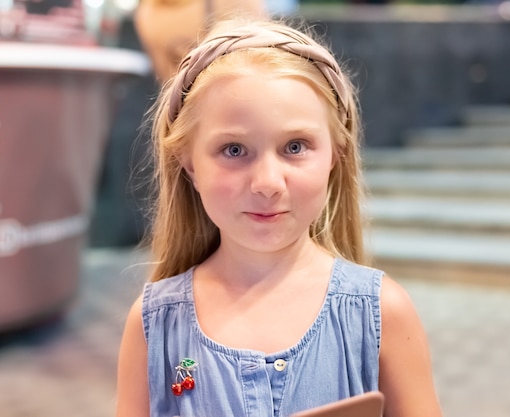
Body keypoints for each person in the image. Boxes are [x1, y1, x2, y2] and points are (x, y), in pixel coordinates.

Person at [116, 16, 443, 417]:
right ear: (189, 165)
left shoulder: (382, 313)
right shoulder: (153, 327)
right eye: (234, 150)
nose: (268, 183)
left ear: (335, 155)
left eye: (295, 146)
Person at [133, 0, 267, 83]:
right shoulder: (148, 11)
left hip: (183, 108)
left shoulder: (147, 12)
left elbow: (166, 79)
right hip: (233, 94)